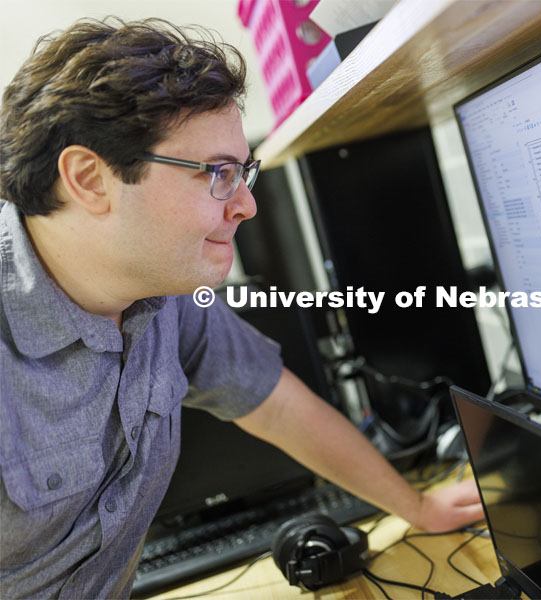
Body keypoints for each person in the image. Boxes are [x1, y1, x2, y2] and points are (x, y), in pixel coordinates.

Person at [0, 17, 483, 598]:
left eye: (243, 172)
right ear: (89, 179)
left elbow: (274, 405)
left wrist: (419, 507)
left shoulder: (160, 295)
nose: (247, 206)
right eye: (219, 174)